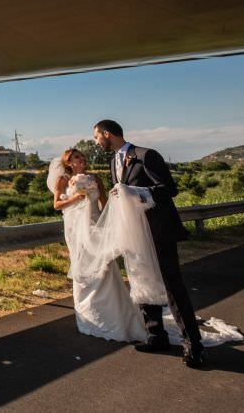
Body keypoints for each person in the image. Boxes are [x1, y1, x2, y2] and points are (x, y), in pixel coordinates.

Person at [92, 119, 205, 367]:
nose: (96, 142)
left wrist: (135, 193)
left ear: (107, 134)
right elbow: (123, 192)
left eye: (96, 137)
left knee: (172, 285)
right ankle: (156, 335)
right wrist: (118, 194)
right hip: (133, 233)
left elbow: (168, 189)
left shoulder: (145, 155)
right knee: (141, 280)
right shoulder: (113, 162)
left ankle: (193, 344)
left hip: (158, 231)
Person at [48, 148, 147, 343]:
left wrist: (107, 225)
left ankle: (114, 316)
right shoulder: (63, 180)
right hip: (75, 229)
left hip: (94, 225)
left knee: (104, 265)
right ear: (69, 162)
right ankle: (90, 317)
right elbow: (56, 205)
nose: (82, 159)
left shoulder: (95, 178)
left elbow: (104, 203)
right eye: (77, 157)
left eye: (83, 156)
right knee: (82, 268)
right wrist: (76, 198)